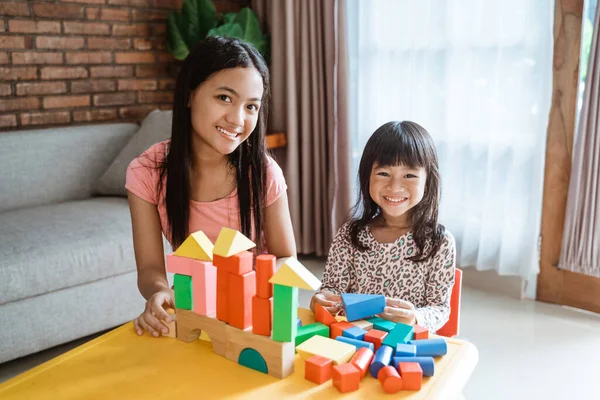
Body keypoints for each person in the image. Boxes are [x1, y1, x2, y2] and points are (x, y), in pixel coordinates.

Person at [126, 36, 296, 337]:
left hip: (254, 317)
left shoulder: (264, 172)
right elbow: (150, 269)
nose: (237, 119)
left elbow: (286, 257)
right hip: (192, 312)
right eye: (224, 98)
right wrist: (160, 292)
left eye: (251, 106)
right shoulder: (147, 172)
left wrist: (249, 292)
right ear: (190, 94)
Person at [310, 121, 455, 332]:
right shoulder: (350, 235)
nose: (395, 187)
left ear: (428, 181)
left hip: (404, 347)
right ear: (367, 176)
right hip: (353, 340)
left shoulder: (439, 242)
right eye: (383, 173)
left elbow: (440, 308)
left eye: (409, 175)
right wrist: (320, 299)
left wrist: (415, 317)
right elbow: (332, 289)